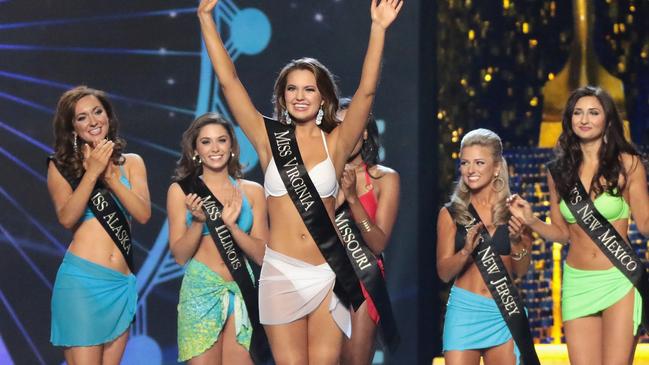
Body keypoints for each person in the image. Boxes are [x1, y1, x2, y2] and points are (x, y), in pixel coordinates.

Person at [198, 0, 402, 362]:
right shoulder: (267, 138)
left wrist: (379, 29)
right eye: (292, 89)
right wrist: (206, 19)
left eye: (309, 89)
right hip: (281, 272)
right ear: (282, 96)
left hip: (327, 272)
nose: (300, 96)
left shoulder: (337, 142)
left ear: (323, 96)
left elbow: (367, 92)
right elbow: (229, 82)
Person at [508, 86, 649, 365]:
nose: (584, 119)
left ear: (607, 120)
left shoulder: (629, 165)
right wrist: (531, 220)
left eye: (593, 113)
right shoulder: (558, 172)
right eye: (578, 113)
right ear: (570, 120)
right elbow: (561, 234)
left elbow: (644, 223)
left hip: (619, 279)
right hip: (577, 282)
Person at [47, 86, 151, 364]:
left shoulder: (132, 163)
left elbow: (142, 214)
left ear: (108, 116)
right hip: (82, 284)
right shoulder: (60, 167)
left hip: (120, 284)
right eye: (82, 117)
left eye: (97, 112)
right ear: (72, 127)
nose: (93, 122)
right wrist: (92, 172)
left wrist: (113, 178)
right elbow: (67, 217)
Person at [167, 113, 268, 364]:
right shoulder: (181, 191)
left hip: (242, 290)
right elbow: (180, 256)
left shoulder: (253, 192)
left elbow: (262, 255)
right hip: (200, 291)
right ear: (195, 149)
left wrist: (232, 227)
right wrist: (199, 222)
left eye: (221, 140)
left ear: (232, 147)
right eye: (206, 142)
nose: (215, 148)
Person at [436, 129, 532, 365]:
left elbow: (520, 271)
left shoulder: (516, 211)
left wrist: (518, 239)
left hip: (504, 312)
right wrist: (466, 252)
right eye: (465, 163)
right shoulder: (451, 214)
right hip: (464, 311)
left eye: (479, 162)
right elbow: (444, 273)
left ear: (497, 167)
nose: (471, 170)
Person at [336, 98, 400, 365]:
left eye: (354, 124)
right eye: (340, 126)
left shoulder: (385, 178)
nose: (348, 132)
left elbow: (378, 243)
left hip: (364, 277)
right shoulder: (318, 179)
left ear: (365, 131)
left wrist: (352, 200)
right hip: (322, 277)